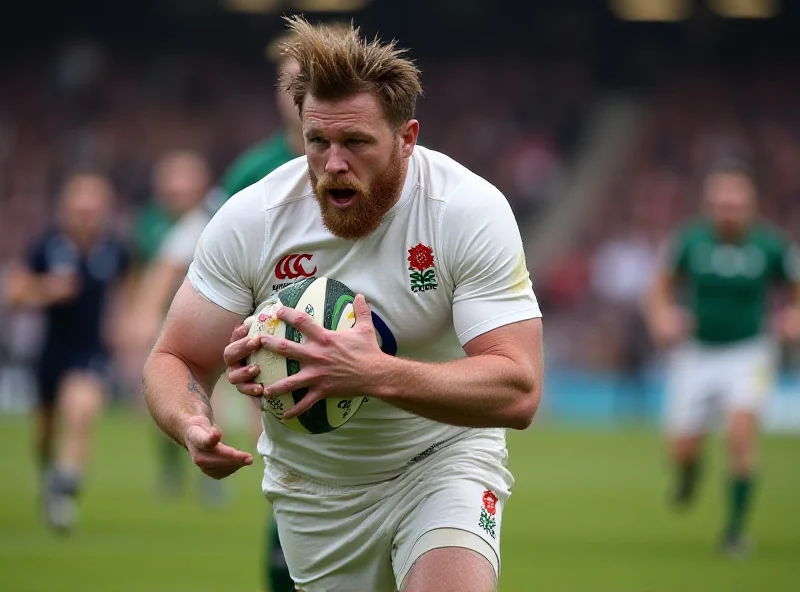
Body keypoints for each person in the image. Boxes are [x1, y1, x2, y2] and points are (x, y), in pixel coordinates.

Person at [143, 17, 543, 592]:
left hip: (441, 461)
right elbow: (174, 356)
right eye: (317, 142)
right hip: (316, 492)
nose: (333, 163)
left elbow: (519, 387)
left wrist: (370, 373)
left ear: (406, 138)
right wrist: (190, 422)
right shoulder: (252, 218)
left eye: (356, 142)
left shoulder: (466, 210)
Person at [153, 34, 304, 591]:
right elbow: (199, 240)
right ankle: (284, 559)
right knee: (291, 472)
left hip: (361, 349)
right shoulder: (256, 169)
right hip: (274, 357)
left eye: (306, 78)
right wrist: (149, 298)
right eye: (288, 82)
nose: (296, 92)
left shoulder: (377, 161)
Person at [646, 161, 800, 556]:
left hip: (749, 352)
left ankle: (734, 532)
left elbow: (796, 290)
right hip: (696, 353)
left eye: (735, 203)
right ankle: (688, 473)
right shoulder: (689, 242)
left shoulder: (772, 246)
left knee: (740, 433)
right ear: (709, 205)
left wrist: (793, 316)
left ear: (750, 205)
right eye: (721, 203)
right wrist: (662, 316)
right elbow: (660, 288)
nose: (728, 210)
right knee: (683, 447)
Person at [4, 171, 131, 533]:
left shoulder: (114, 249)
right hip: (50, 350)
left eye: (93, 209)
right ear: (65, 209)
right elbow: (15, 292)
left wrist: (123, 320)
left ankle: (64, 490)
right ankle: (51, 479)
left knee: (80, 412)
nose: (86, 216)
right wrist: (47, 289)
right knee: (44, 431)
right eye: (80, 209)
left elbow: (128, 284)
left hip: (90, 349)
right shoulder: (46, 245)